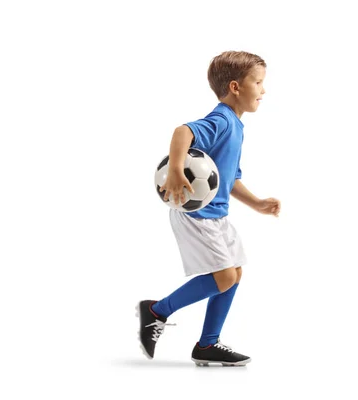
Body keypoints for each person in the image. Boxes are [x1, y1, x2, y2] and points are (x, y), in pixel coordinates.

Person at [136, 50, 281, 366]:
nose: (263, 90)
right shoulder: (223, 120)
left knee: (235, 272)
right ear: (235, 87)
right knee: (225, 276)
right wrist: (176, 169)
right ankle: (156, 311)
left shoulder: (237, 126)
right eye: (258, 82)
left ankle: (208, 344)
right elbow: (182, 132)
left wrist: (257, 203)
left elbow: (226, 179)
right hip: (197, 215)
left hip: (217, 214)